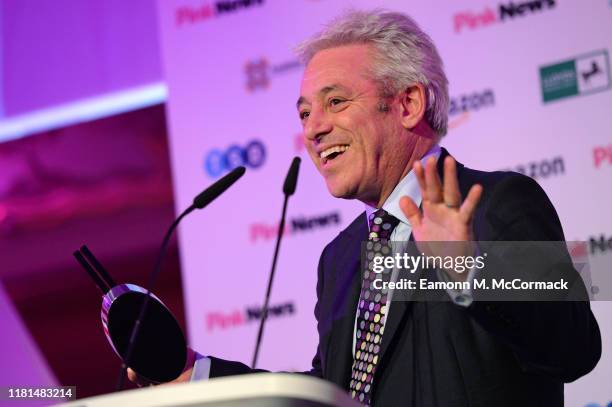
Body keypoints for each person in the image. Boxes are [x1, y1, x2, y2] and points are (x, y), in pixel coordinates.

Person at [130, 9, 601, 406]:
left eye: (335, 101)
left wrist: (470, 273)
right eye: (304, 113)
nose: (313, 129)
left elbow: (576, 347)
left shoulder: (497, 203)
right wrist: (199, 375)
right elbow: (332, 395)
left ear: (409, 104)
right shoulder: (340, 257)